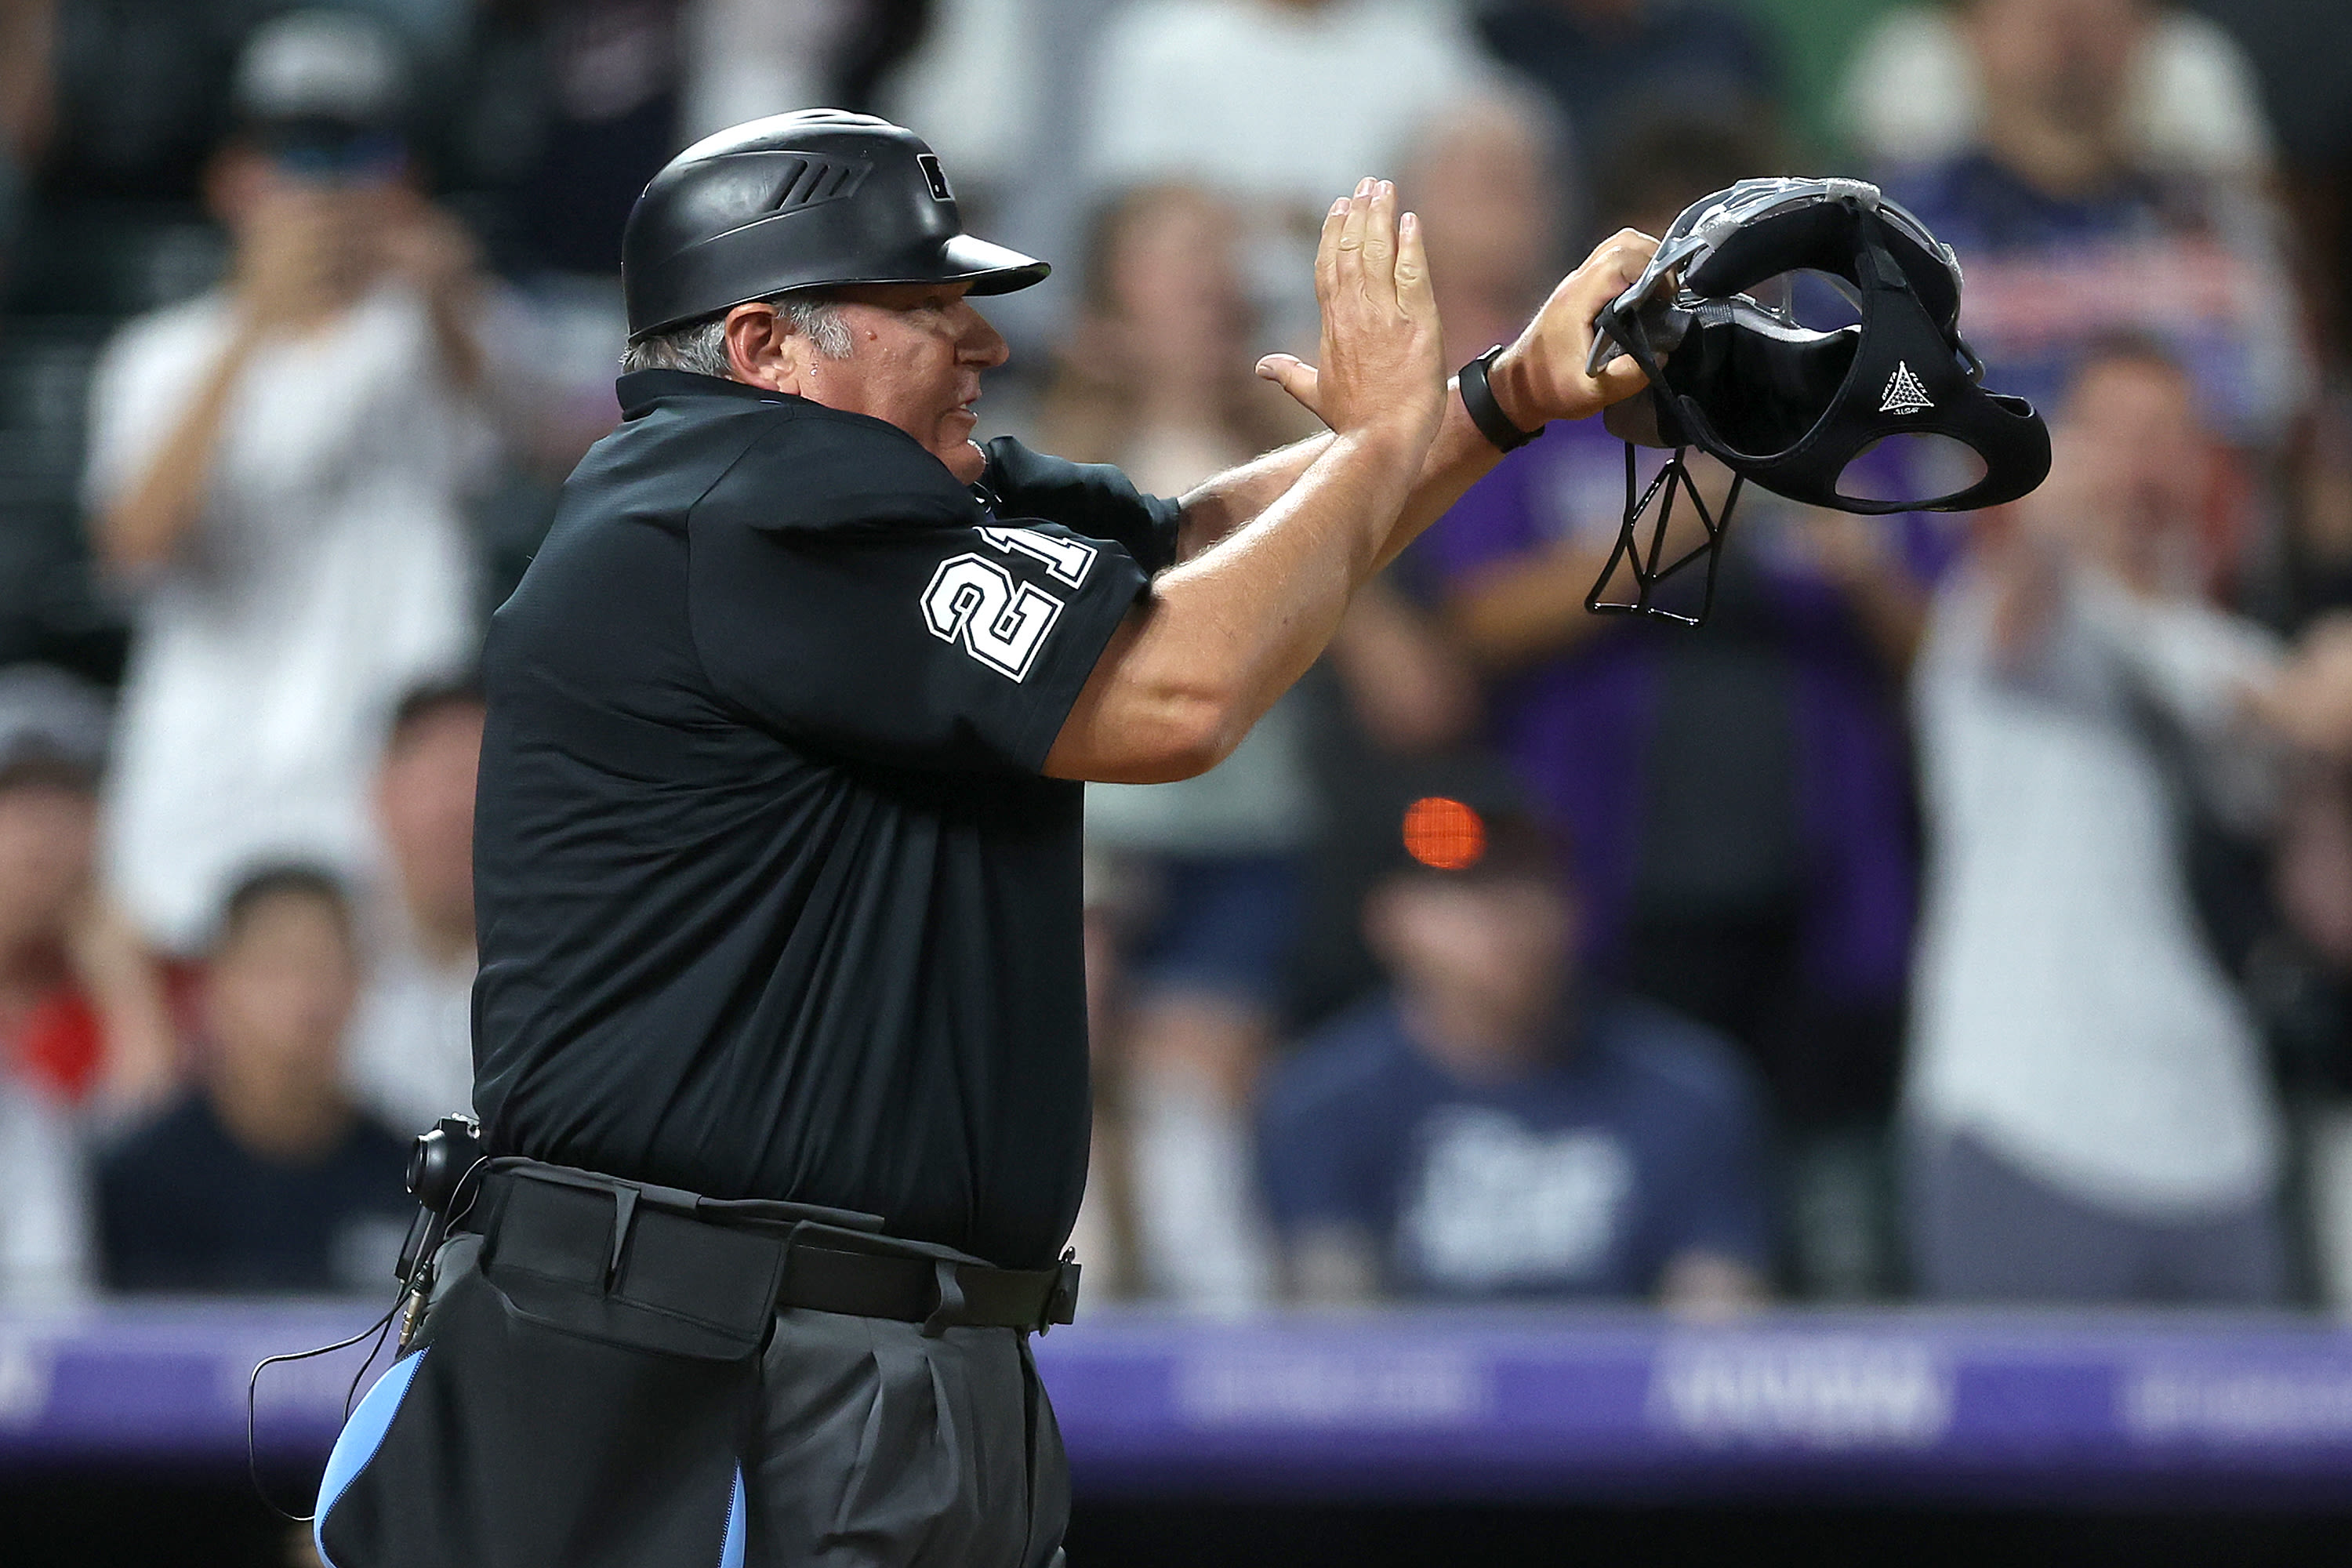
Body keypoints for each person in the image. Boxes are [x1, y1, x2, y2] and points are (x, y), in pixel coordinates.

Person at [309, 109, 1658, 1568]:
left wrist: (1502, 396)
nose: (984, 343)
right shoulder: (729, 503)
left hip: (865, 1355)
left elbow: (1193, 560)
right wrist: (1393, 436)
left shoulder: (877, 510)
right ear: (764, 345)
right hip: (703, 1378)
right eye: (925, 308)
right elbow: (1176, 691)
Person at [1414, 122, 1926, 1297]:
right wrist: (1710, 503)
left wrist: (1868, 576)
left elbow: (1943, 653)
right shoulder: (1563, 402)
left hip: (1823, 896)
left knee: (1832, 1244)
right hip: (1614, 886)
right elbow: (1476, 623)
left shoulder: (1855, 411)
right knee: (1632, 1227)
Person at [82, 10, 493, 953]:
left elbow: (566, 428)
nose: (327, 193)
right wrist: (253, 328)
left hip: (389, 813)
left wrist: (451, 297)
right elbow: (131, 542)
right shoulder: (163, 355)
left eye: (354, 159)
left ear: (404, 182)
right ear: (233, 183)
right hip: (207, 801)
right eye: (297, 160)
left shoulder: (441, 321)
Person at [1905, 336, 2291, 1304]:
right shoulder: (2001, 612)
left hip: (2220, 1141)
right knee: (2021, 1456)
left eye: (2164, 436)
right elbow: (2025, 569)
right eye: (2109, 434)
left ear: (2207, 462)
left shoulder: (2229, 650)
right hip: (2027, 1125)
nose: (2137, 464)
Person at [1258, 789, 1770, 1308]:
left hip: (1612, 1388)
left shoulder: (1688, 1090)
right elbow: (1329, 1336)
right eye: (1466, 888)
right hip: (1412, 1387)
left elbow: (1716, 1332)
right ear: (1389, 918)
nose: (1504, 915)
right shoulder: (1324, 1097)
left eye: (1529, 882)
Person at [96, 865, 415, 1293]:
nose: (303, 997)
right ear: (215, 985)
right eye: (275, 967)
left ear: (359, 982)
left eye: (324, 965)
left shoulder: (410, 1176)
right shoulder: (140, 1182)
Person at [0, 664, 176, 1113]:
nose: (41, 837)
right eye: (16, 803)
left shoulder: (160, 982)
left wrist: (130, 996)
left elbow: (155, 1158)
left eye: (68, 802)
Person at [346, 681, 485, 1135]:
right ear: (381, 794)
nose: (457, 813)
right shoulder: (328, 949)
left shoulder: (570, 965)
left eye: (478, 782)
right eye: (437, 781)